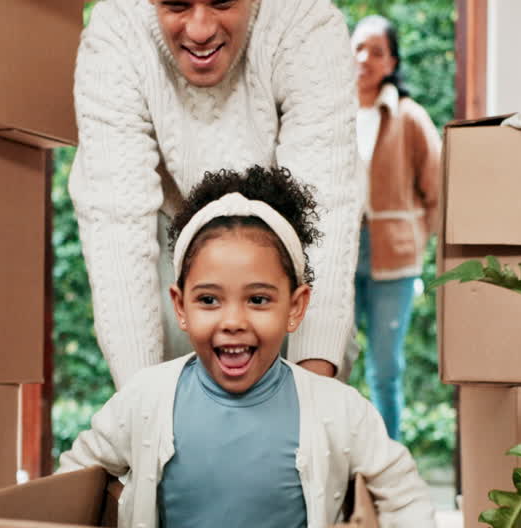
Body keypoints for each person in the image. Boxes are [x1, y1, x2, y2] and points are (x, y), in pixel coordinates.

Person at [59, 166, 451, 528]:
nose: (233, 320)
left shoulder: (335, 408)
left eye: (259, 299)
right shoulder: (147, 398)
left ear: (296, 306)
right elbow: (74, 476)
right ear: (180, 306)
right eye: (209, 299)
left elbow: (399, 489)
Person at [69, 0, 360, 389]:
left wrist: (315, 401)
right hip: (172, 227)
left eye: (222, 3)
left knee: (313, 347)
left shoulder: (307, 21)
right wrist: (141, 407)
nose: (200, 29)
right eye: (177, 5)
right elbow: (116, 223)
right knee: (178, 361)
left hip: (282, 225)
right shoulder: (116, 30)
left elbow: (324, 206)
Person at [351, 15, 442, 439]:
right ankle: (337, 463)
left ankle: (389, 462)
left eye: (377, 51)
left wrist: (418, 240)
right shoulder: (328, 115)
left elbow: (439, 190)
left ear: (392, 62)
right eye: (359, 48)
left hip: (395, 259)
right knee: (329, 362)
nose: (365, 58)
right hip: (339, 255)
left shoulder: (409, 117)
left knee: (385, 368)